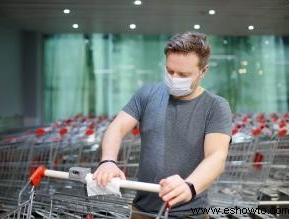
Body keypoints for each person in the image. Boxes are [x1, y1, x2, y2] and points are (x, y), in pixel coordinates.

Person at [93, 31, 232, 219]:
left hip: (190, 213)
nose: (174, 78)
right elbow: (117, 128)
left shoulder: (215, 106)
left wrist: (189, 185)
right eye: (169, 71)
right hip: (142, 211)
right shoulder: (148, 94)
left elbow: (216, 156)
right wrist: (108, 161)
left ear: (203, 71)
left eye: (183, 74)